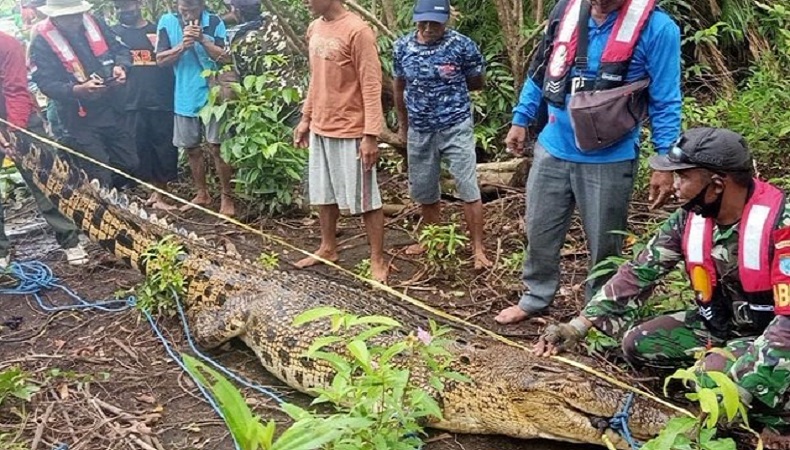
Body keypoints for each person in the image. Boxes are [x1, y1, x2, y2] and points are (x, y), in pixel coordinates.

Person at [535, 128, 790, 445]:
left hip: (778, 335)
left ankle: (779, 419)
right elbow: (639, 271)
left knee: (715, 379)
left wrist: (745, 387)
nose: (674, 186)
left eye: (683, 177)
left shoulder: (781, 224)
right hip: (725, 325)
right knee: (639, 343)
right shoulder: (690, 218)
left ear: (717, 185)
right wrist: (578, 326)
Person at [495, 0, 682, 325]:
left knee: (604, 242)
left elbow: (665, 99)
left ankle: (597, 313)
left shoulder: (658, 28)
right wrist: (521, 117)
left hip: (610, 154)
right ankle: (536, 296)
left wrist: (663, 161)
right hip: (554, 145)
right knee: (539, 229)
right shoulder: (565, 11)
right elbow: (541, 69)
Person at [292, 0, 388, 283]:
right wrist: (306, 118)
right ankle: (328, 247)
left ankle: (377, 259)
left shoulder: (358, 32)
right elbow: (316, 78)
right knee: (323, 192)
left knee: (366, 198)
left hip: (351, 128)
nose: (305, 2)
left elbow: (371, 84)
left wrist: (370, 135)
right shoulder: (315, 28)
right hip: (321, 125)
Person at [392, 0, 491, 271]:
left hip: (455, 125)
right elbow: (399, 86)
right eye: (422, 22)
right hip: (420, 128)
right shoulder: (403, 47)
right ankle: (432, 241)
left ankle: (478, 249)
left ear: (446, 20)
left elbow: (476, 81)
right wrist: (403, 125)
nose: (427, 28)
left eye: (434, 23)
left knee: (467, 186)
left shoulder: (462, 45)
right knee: (424, 187)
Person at [0, 30, 87, 268]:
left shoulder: (7, 44)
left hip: (20, 118)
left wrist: (14, 133)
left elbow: (16, 89)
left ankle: (70, 240)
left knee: (45, 178)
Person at [29, 0, 138, 189]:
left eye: (77, 14)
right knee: (98, 171)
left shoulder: (96, 23)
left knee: (130, 163)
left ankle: (111, 191)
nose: (74, 20)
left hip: (112, 108)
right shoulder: (41, 41)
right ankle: (102, 199)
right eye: (67, 17)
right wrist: (76, 90)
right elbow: (46, 83)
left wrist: (121, 67)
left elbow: (120, 49)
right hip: (78, 117)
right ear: (55, 17)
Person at [156, 0, 236, 217]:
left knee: (218, 147)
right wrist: (182, 46)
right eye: (184, 9)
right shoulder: (167, 22)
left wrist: (202, 40)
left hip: (214, 94)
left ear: (202, 6)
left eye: (192, 9)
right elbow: (160, 60)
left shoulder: (215, 22)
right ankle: (202, 194)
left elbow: (227, 57)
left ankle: (227, 196)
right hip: (185, 94)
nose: (188, 14)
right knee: (191, 148)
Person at [112, 0, 177, 210]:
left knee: (164, 148)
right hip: (130, 102)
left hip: (160, 99)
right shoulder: (114, 35)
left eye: (127, 6)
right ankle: (151, 192)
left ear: (139, 4)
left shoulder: (157, 30)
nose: (124, 11)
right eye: (119, 7)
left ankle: (162, 193)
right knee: (139, 149)